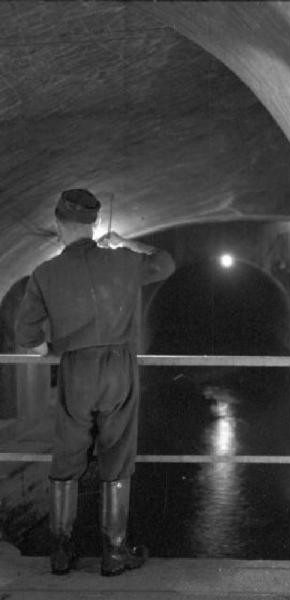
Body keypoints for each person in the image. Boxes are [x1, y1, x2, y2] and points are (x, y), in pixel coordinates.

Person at [15, 189, 175, 576]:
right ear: (95, 225)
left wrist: (47, 349)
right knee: (116, 455)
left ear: (58, 225)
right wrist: (127, 242)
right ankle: (114, 552)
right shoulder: (122, 262)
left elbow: (27, 336)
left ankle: (60, 550)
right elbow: (166, 263)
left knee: (68, 455)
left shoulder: (45, 273)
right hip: (118, 368)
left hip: (76, 369)